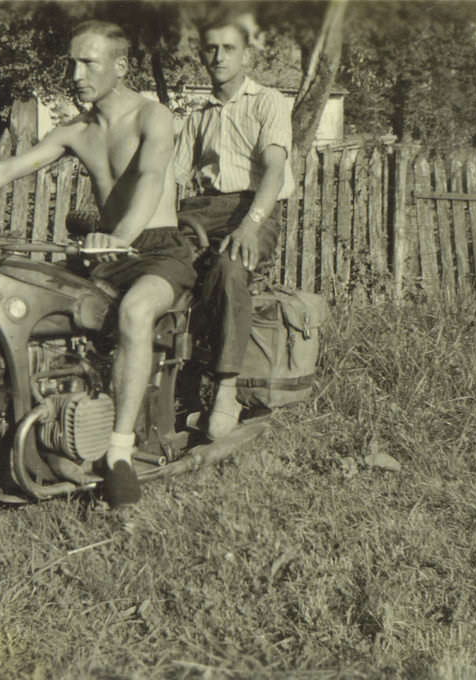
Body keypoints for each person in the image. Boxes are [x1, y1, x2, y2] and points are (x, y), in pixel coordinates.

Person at [0, 21, 195, 507]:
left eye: (88, 62)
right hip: (102, 251)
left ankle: (118, 455)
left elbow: (152, 180)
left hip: (154, 249)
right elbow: (6, 169)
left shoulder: (152, 117)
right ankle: (31, 428)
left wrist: (117, 239)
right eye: (71, 62)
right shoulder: (75, 131)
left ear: (120, 66)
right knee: (29, 308)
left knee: (137, 312)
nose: (75, 73)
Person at [174, 12, 294, 440]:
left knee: (228, 269)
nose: (218, 56)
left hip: (251, 208)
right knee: (161, 271)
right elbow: (168, 175)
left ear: (246, 55)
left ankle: (224, 391)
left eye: (229, 48)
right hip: (197, 212)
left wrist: (249, 225)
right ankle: (173, 387)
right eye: (211, 48)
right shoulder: (197, 116)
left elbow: (275, 173)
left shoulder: (268, 102)